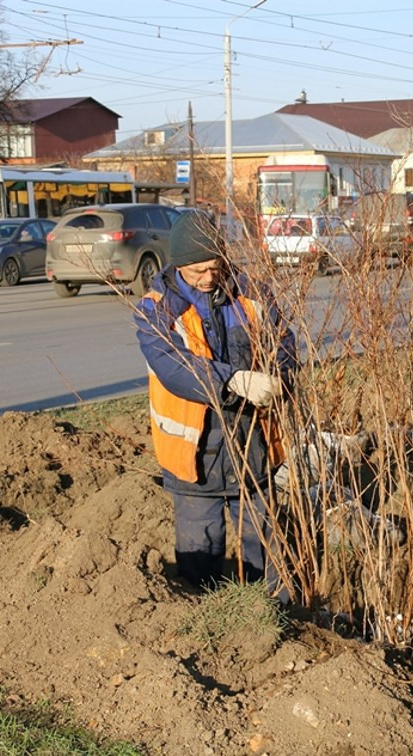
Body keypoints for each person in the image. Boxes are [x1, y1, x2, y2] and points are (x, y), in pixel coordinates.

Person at [134, 212, 297, 594]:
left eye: (215, 267)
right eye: (197, 270)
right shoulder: (156, 309)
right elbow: (173, 366)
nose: (208, 278)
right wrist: (233, 380)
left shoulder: (251, 295)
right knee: (198, 563)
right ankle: (209, 631)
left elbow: (284, 342)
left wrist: (281, 378)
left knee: (267, 557)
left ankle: (276, 622)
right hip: (195, 462)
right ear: (177, 264)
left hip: (253, 453)